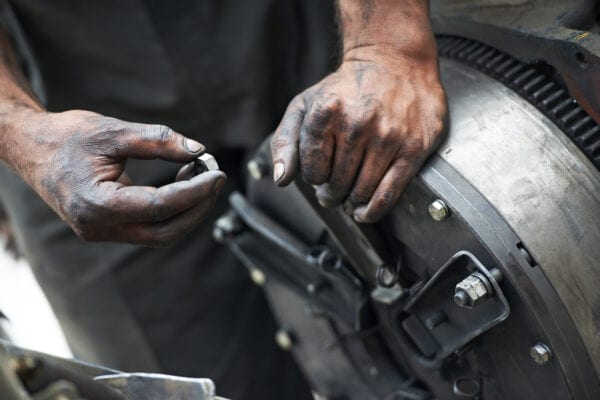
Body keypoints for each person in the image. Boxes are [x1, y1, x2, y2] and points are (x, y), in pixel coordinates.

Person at [0, 0, 446, 399]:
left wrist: (387, 47)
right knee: (171, 379)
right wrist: (20, 133)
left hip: (307, 24)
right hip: (61, 82)